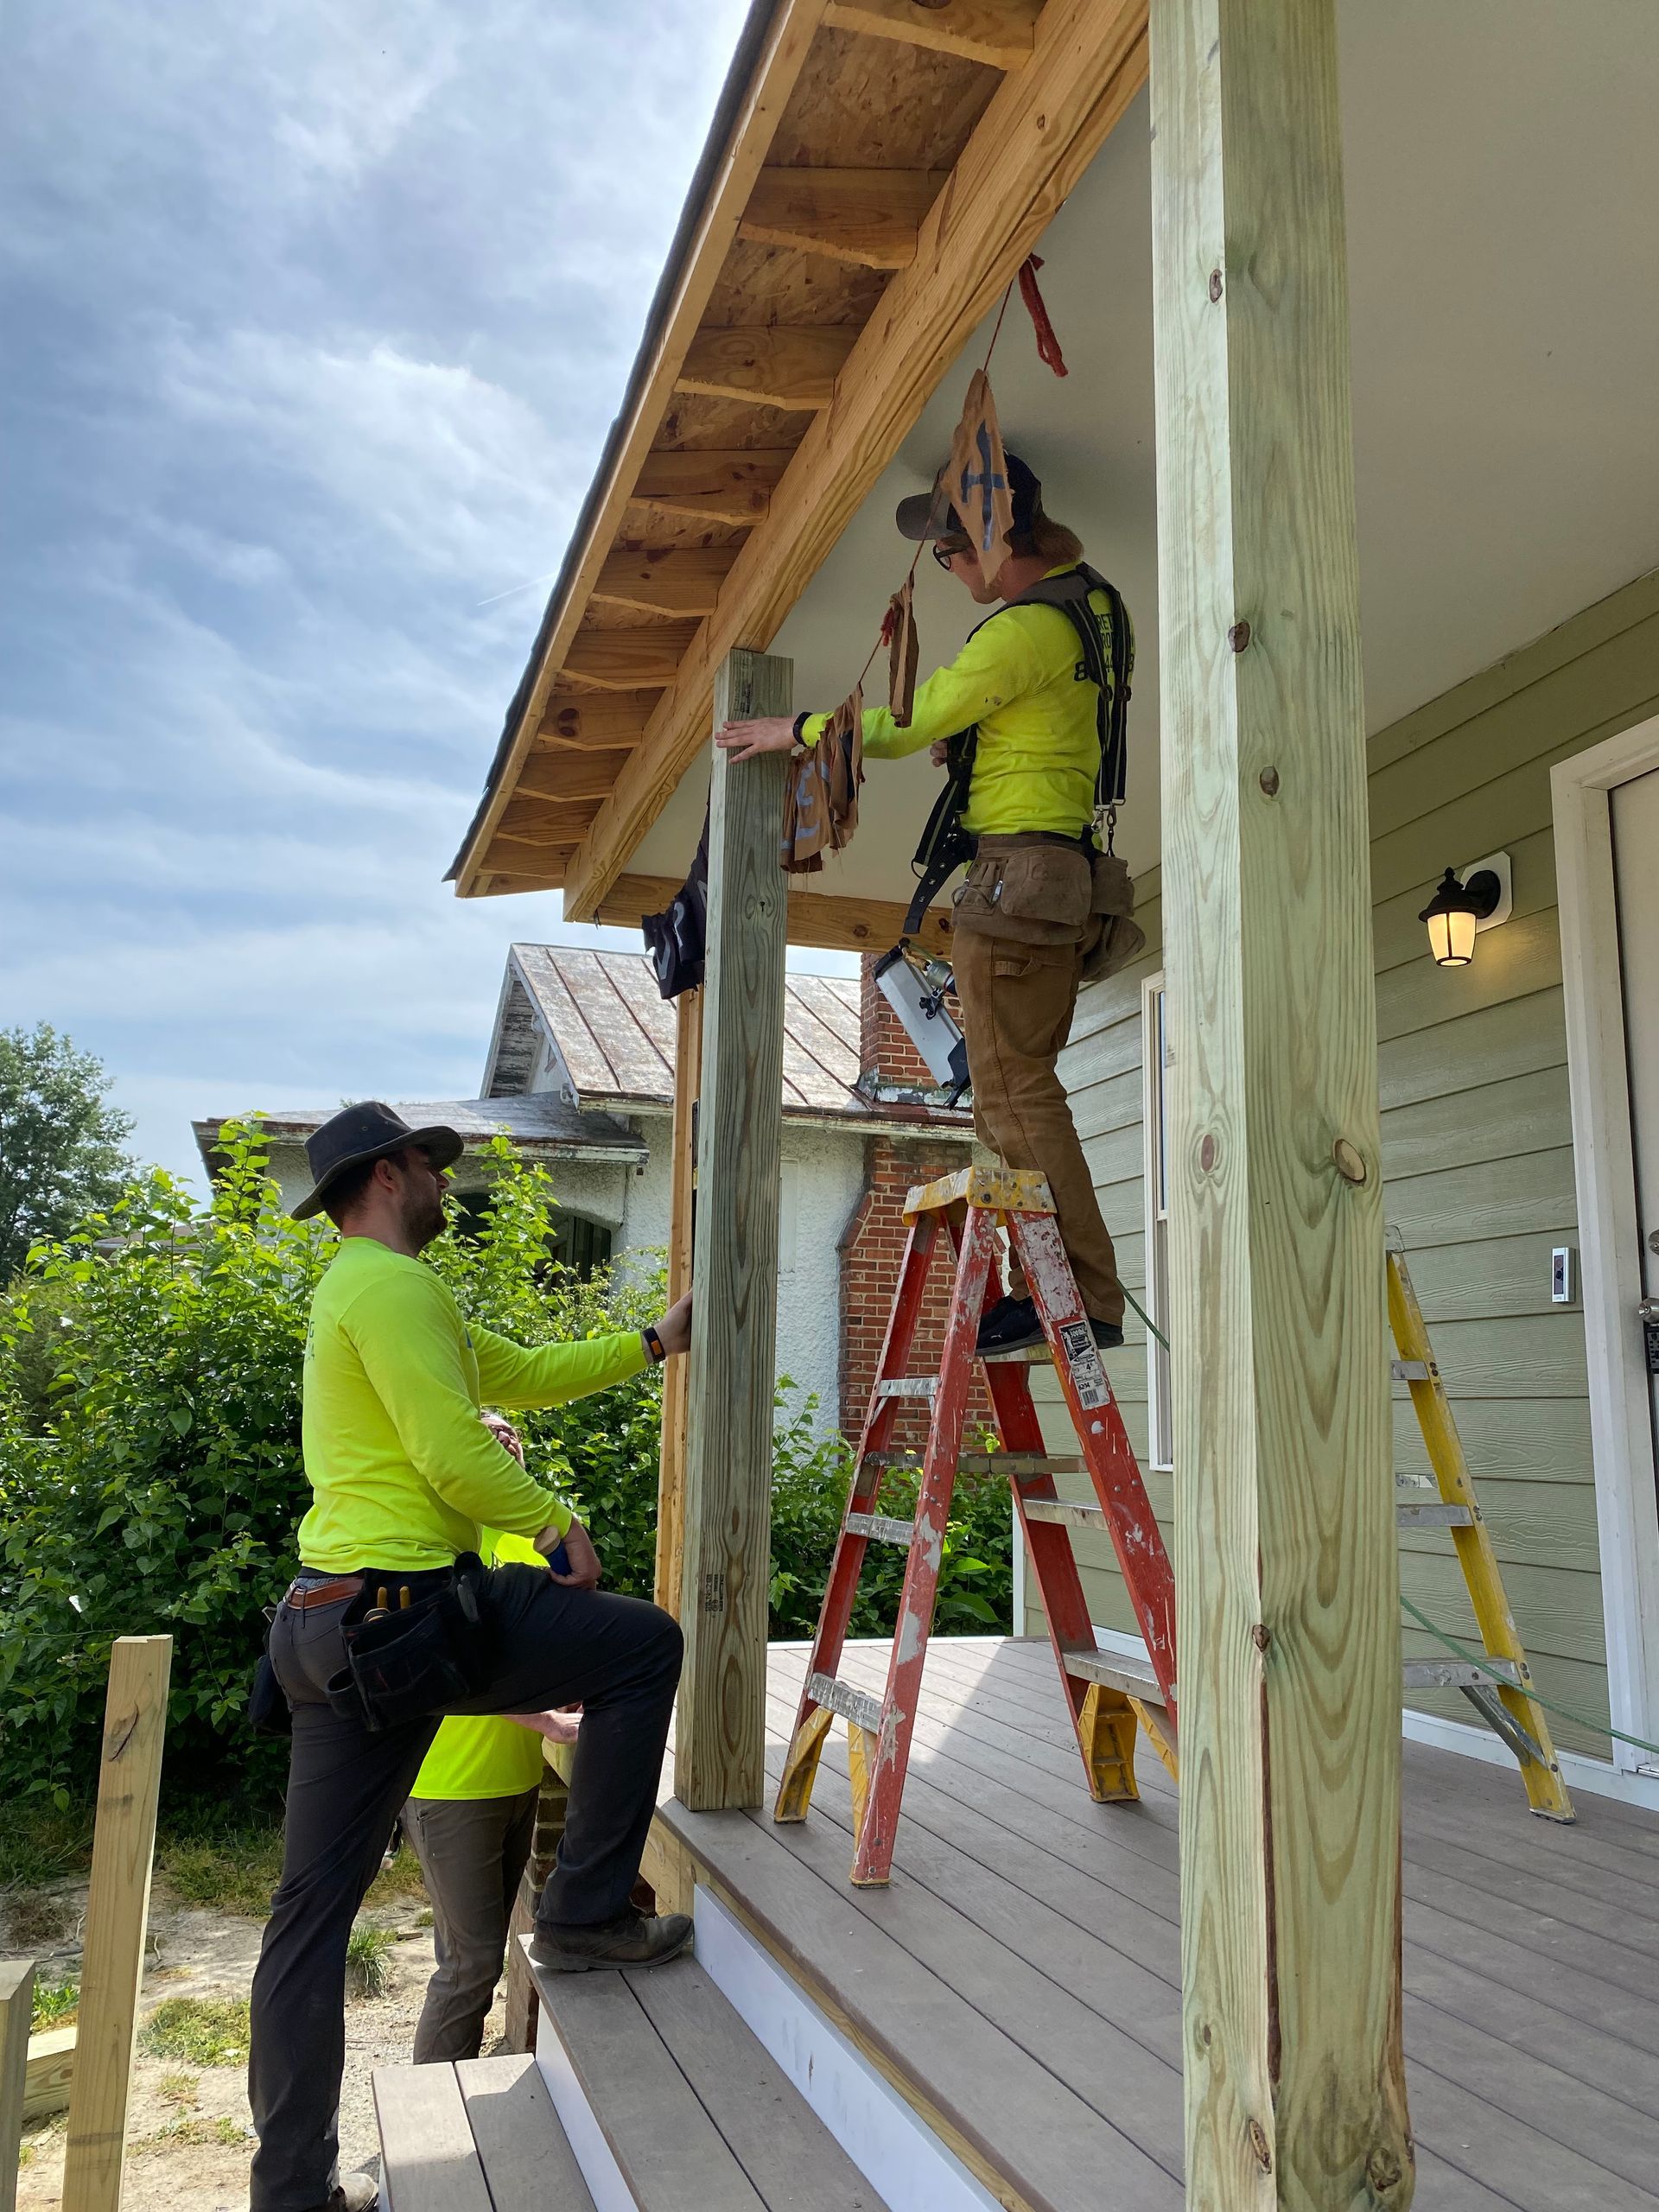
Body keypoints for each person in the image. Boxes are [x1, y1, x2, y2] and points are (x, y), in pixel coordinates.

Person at [247, 1102, 692, 2212]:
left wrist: (650, 1342)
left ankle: (290, 2193)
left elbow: (523, 1371)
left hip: (322, 1625)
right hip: (404, 1618)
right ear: (391, 1174)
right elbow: (454, 1455)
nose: (448, 1184)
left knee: (307, 1921)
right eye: (433, 1168)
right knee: (643, 1646)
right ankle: (586, 1914)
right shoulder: (392, 1288)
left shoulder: (365, 1294)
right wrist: (555, 1522)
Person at [717, 453, 1133, 1356]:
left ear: (984, 541)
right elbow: (1054, 732)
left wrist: (795, 731)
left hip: (1017, 891)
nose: (947, 570)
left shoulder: (1022, 631)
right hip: (1062, 882)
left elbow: (909, 721)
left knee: (1016, 1094)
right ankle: (1057, 1289)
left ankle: (1084, 1298)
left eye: (947, 553)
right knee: (1013, 1094)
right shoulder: (1096, 606)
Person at [397, 1413, 576, 2066]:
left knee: (482, 1956)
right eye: (484, 1430)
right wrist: (547, 1722)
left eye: (511, 1431)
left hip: (516, 1779)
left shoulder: (538, 1535)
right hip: (450, 1788)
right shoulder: (437, 1540)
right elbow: (457, 1673)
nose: (503, 1437)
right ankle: (433, 2114)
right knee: (468, 1964)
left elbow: (552, 1641)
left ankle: (453, 2096)